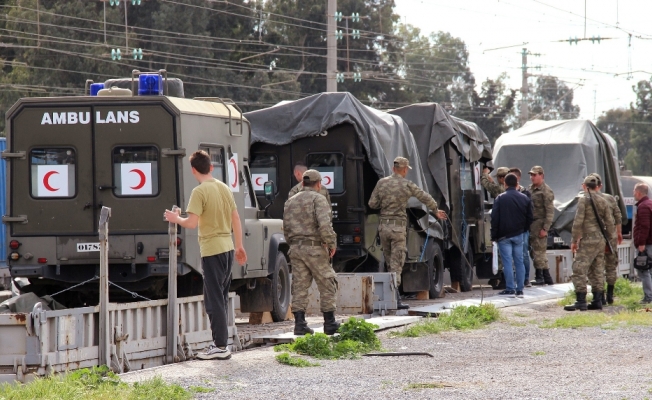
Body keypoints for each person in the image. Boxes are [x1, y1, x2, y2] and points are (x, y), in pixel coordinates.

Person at [164, 150, 247, 360]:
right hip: (228, 248)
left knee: (214, 300)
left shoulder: (199, 192)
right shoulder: (224, 188)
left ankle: (219, 346)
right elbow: (235, 218)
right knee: (220, 297)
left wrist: (176, 218)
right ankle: (221, 343)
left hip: (211, 250)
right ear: (211, 167)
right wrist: (240, 246)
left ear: (193, 170)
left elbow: (191, 223)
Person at [368, 157, 447, 310]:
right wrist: (436, 210)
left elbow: (372, 203)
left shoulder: (381, 183)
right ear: (404, 170)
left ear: (393, 169)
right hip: (398, 230)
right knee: (397, 264)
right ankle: (395, 300)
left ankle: (391, 297)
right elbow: (424, 197)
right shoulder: (407, 184)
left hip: (384, 228)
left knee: (390, 261)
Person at [283, 169, 339, 335]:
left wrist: (293, 244)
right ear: (319, 184)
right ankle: (329, 322)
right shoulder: (319, 198)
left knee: (299, 286)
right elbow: (324, 225)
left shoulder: (290, 201)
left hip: (295, 248)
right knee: (327, 282)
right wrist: (331, 243)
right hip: (315, 248)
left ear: (303, 183)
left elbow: (285, 228)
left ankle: (300, 324)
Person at [564, 175, 614, 311]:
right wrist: (610, 241)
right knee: (597, 270)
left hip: (588, 239)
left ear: (584, 186)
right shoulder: (603, 200)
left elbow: (578, 222)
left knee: (579, 269)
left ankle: (580, 300)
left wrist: (574, 240)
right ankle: (598, 300)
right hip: (600, 240)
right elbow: (610, 223)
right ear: (596, 186)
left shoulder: (583, 200)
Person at [490, 174, 533, 298]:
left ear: (505, 184)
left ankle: (510, 288)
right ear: (516, 184)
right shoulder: (525, 198)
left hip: (504, 236)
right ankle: (520, 289)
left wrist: (494, 235)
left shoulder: (500, 198)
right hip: (519, 235)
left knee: (507, 262)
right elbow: (530, 217)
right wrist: (523, 229)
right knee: (519, 261)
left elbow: (494, 218)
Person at [590, 173, 623, 305]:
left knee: (597, 267)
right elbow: (618, 216)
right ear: (600, 185)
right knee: (611, 266)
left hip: (596, 237)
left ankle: (600, 295)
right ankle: (610, 294)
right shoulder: (609, 198)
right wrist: (618, 232)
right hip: (610, 237)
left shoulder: (588, 199)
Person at [528, 166, 555, 286]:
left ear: (541, 176)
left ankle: (539, 276)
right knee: (537, 251)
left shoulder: (546, 191)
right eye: (531, 175)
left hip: (540, 223)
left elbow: (550, 212)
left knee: (538, 251)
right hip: (532, 223)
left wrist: (545, 228)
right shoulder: (531, 189)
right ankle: (546, 276)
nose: (532, 177)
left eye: (534, 175)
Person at [509, 167, 533, 287]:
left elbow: (530, 213)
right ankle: (513, 280)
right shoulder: (505, 193)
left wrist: (525, 227)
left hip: (522, 230)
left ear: (518, 178)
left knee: (523, 254)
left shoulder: (525, 193)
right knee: (512, 256)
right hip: (510, 229)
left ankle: (525, 279)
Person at [633, 183, 652, 304]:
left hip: (647, 244)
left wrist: (641, 243)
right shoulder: (649, 203)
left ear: (639, 193)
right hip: (650, 242)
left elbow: (644, 226)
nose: (633, 194)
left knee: (643, 269)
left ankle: (648, 296)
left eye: (634, 192)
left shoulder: (643, 206)